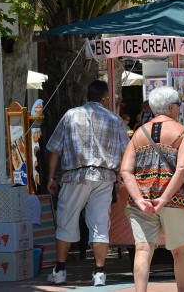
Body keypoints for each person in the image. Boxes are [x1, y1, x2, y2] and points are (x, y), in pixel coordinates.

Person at [46, 80, 129, 287]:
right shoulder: (115, 119)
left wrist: (51, 178)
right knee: (100, 224)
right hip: (104, 177)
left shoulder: (70, 115)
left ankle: (60, 270)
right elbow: (126, 152)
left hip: (75, 176)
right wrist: (119, 177)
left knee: (66, 222)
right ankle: (99, 272)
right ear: (105, 98)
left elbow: (54, 148)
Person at [120, 86, 184, 292]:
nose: (178, 109)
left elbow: (126, 171)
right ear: (170, 107)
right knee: (180, 251)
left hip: (142, 201)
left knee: (143, 250)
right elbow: (182, 168)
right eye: (178, 105)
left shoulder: (138, 134)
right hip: (174, 200)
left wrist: (139, 199)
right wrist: (164, 198)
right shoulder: (182, 132)